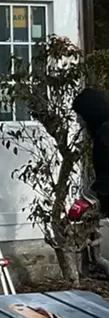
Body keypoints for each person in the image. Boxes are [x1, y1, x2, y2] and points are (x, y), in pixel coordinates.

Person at [68, 86, 109, 220]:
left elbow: (106, 176)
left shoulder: (105, 134)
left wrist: (87, 199)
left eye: (80, 116)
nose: (78, 121)